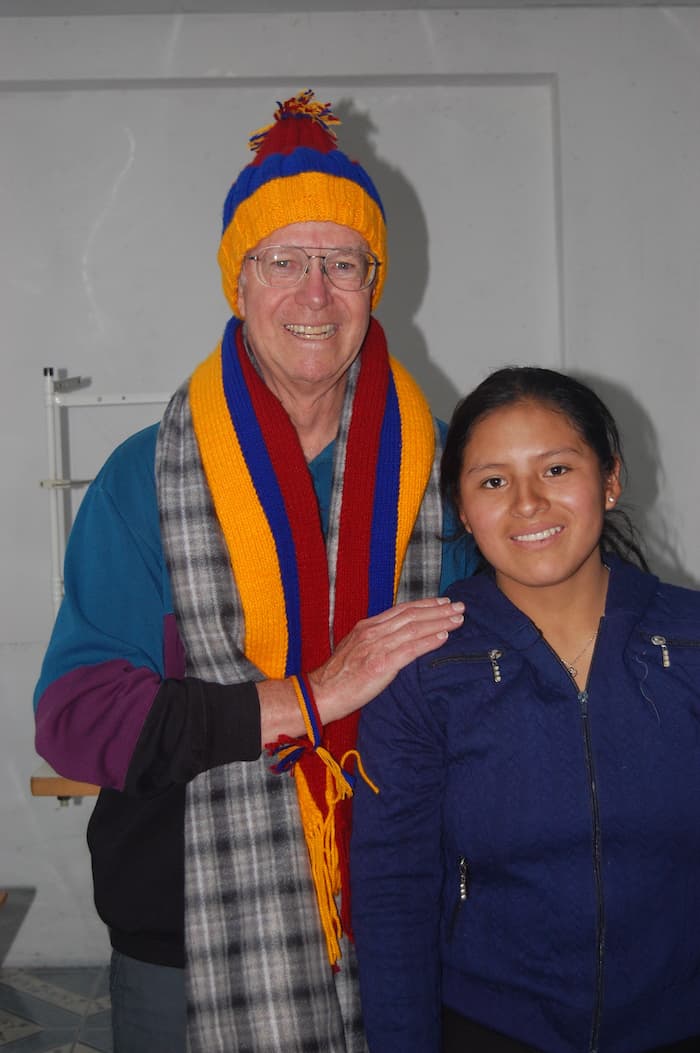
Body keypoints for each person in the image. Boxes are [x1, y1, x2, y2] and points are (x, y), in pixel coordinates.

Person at [33, 90, 474, 1053]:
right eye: (284, 261)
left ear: (374, 284)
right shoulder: (141, 478)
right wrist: (310, 697)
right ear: (239, 283)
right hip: (185, 944)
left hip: (410, 915)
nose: (315, 294)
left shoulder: (448, 476)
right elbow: (75, 720)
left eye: (342, 263)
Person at [351, 366, 700, 1053]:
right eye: (493, 481)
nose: (528, 503)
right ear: (460, 506)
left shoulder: (688, 640)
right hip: (494, 1029)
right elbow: (395, 895)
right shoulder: (425, 667)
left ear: (610, 479)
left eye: (557, 468)